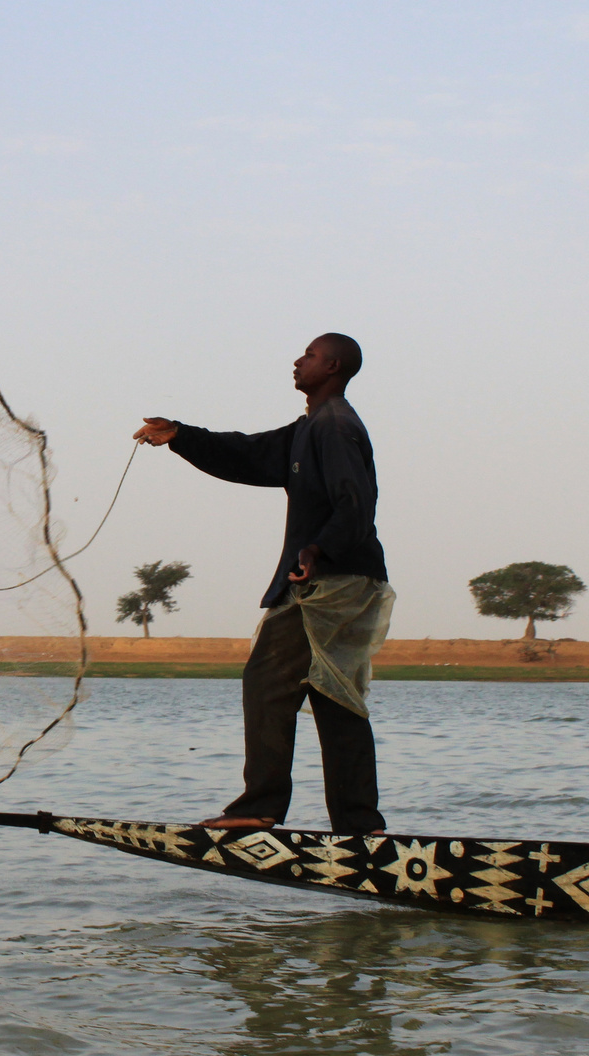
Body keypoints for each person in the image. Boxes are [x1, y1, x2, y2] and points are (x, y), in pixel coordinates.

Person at [133, 333, 395, 836]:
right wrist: (182, 435)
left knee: (268, 681)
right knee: (333, 695)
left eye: (310, 355)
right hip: (342, 578)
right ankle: (359, 824)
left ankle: (260, 805)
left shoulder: (336, 426)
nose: (298, 361)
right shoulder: (309, 428)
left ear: (333, 366)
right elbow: (252, 454)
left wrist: (318, 550)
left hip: (333, 582)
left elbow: (356, 502)